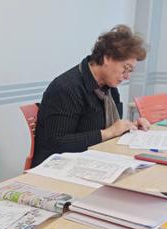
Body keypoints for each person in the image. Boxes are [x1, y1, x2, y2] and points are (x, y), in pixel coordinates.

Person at [32, 25, 150, 167]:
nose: (126, 76)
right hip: (57, 166)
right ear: (107, 58)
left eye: (131, 71)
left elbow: (111, 126)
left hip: (91, 159)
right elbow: (57, 142)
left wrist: (130, 127)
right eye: (126, 68)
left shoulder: (109, 88)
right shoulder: (67, 88)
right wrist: (109, 132)